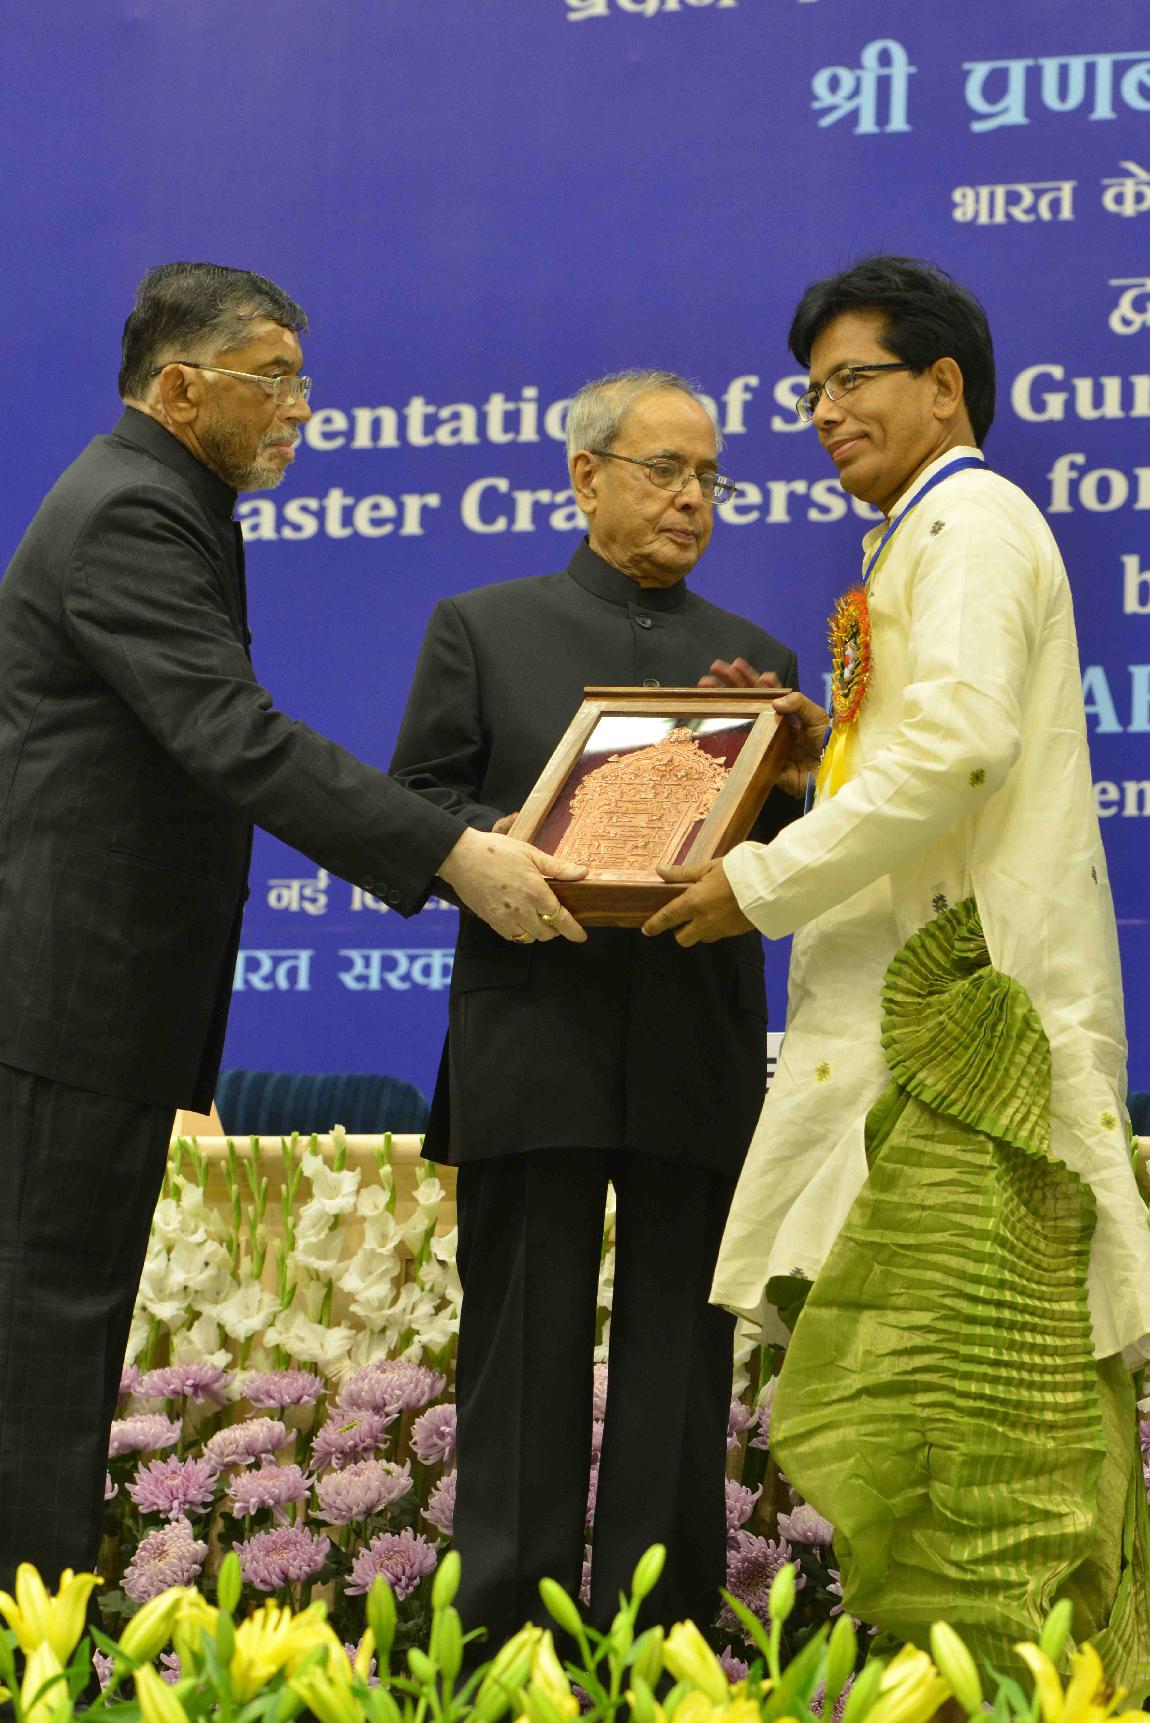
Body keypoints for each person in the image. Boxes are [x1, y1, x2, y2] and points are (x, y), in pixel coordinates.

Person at [0, 262, 587, 1593]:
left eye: (301, 380)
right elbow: (233, 735)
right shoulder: (131, 511)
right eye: (270, 379)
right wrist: (449, 850)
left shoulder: (168, 500)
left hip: (90, 1003)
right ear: (178, 386)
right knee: (42, 1336)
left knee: (61, 1331)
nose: (300, 408)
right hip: (63, 996)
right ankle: (30, 1645)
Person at [643, 258, 1150, 1688]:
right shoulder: (919, 532)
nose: (823, 411)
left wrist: (757, 880)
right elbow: (930, 749)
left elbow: (964, 748)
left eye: (851, 378)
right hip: (925, 1035)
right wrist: (821, 748)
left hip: (967, 1049)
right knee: (942, 1424)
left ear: (942, 385)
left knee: (989, 1434)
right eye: (809, 390)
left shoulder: (969, 520)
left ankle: (1036, 1692)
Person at [389, 369, 803, 1646]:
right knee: (521, 1360)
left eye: (709, 477)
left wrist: (788, 774)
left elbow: (788, 854)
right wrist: (516, 835)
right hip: (534, 1033)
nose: (692, 499)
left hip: (694, 1041)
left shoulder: (758, 665)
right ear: (585, 476)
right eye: (663, 470)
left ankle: (663, 1645)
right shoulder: (481, 627)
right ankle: (500, 1649)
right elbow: (418, 806)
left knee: (678, 1370)